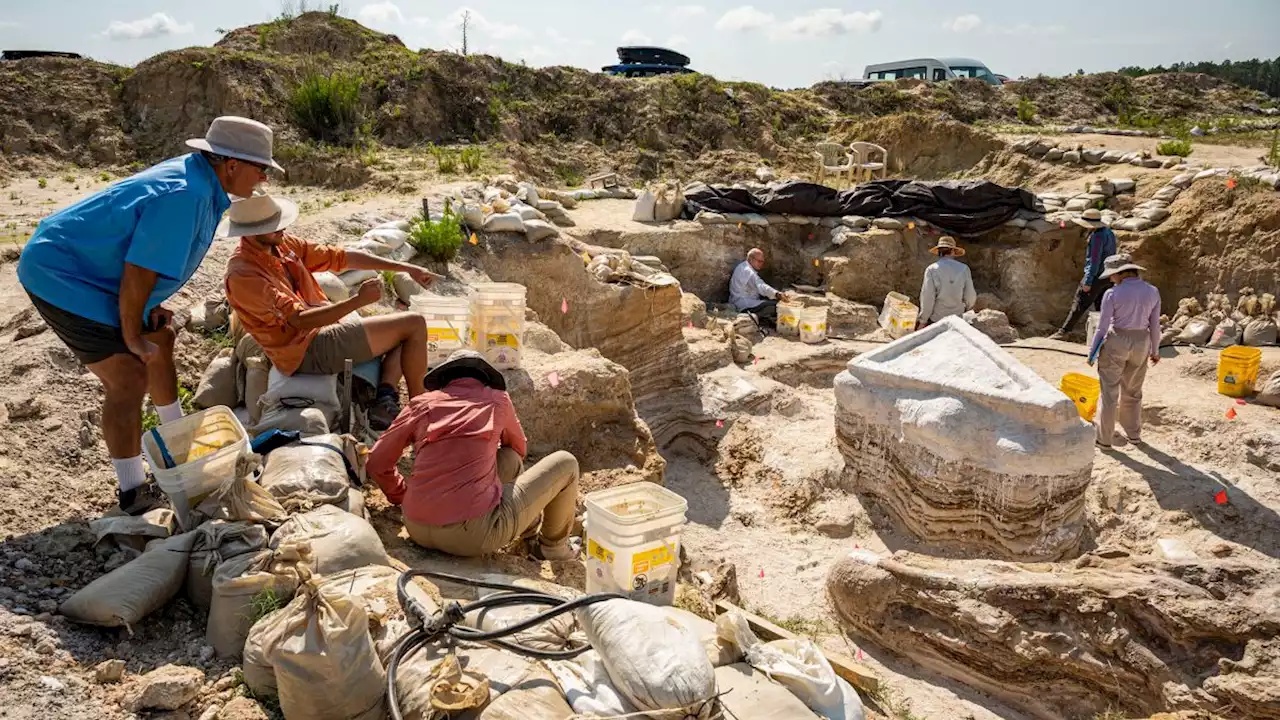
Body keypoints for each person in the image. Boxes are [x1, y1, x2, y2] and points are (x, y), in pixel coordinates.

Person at [17, 116, 279, 514]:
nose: (263, 180)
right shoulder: (186, 194)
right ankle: (132, 491)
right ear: (231, 165)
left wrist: (148, 309)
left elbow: (148, 257)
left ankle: (176, 438)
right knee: (129, 375)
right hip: (62, 273)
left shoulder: (202, 184)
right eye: (261, 169)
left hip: (94, 269)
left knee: (162, 337)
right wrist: (130, 332)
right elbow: (138, 270)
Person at [221, 194, 439, 429]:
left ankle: (384, 397)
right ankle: (421, 413)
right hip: (304, 348)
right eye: (273, 226)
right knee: (414, 324)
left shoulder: (282, 245)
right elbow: (299, 321)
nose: (282, 228)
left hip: (323, 327)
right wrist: (356, 302)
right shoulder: (244, 275)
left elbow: (342, 257)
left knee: (402, 327)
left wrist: (407, 268)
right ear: (251, 231)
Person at [367, 350, 581, 561]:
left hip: (417, 527)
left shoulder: (422, 404)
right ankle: (553, 548)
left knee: (509, 460)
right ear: (485, 378)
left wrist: (401, 495)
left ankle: (528, 532)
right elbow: (518, 448)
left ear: (444, 380)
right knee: (566, 463)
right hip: (473, 536)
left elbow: (376, 461)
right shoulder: (498, 400)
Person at [1087, 254, 1161, 449]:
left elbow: (1102, 328)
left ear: (1119, 274)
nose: (1110, 279)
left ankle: (1104, 439)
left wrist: (1092, 352)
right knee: (1133, 391)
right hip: (1142, 342)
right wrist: (1155, 350)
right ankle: (1133, 434)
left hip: (1117, 340)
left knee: (1109, 392)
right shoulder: (1153, 292)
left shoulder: (1112, 294)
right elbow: (1155, 325)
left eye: (1111, 275)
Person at [1050, 209, 1117, 340]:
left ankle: (1064, 332)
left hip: (1096, 275)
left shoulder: (1097, 236)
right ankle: (1104, 334)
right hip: (1108, 275)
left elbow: (1094, 260)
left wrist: (1088, 281)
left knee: (1079, 303)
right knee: (1102, 306)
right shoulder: (1109, 232)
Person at [917, 236, 976, 327]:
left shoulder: (931, 269)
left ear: (939, 252)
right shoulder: (964, 269)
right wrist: (966, 307)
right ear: (953, 251)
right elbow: (970, 296)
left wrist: (923, 320)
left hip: (937, 320)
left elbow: (928, 298)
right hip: (958, 319)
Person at [729, 248, 793, 329]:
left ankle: (763, 317)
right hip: (743, 305)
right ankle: (757, 318)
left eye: (762, 261)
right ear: (751, 259)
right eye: (759, 261)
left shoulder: (743, 266)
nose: (761, 264)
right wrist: (777, 294)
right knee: (777, 306)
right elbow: (761, 286)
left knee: (769, 301)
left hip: (738, 300)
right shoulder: (748, 271)